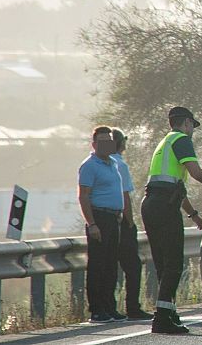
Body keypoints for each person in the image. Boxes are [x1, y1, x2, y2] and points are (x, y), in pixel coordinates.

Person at [142, 107, 202, 334]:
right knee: (174, 264)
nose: (192, 131)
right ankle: (162, 318)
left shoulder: (165, 143)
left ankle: (168, 313)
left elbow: (176, 189)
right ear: (187, 123)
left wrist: (194, 215)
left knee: (163, 265)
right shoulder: (181, 140)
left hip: (152, 204)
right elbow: (196, 173)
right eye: (192, 126)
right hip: (164, 207)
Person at [77, 125, 127, 323]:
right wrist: (92, 224)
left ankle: (109, 307)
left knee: (110, 265)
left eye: (109, 141)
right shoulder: (89, 166)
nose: (106, 145)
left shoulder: (113, 163)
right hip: (99, 218)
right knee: (98, 265)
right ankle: (97, 310)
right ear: (94, 144)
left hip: (113, 219)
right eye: (102, 141)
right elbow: (84, 196)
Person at [111, 128, 154, 321]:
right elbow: (125, 197)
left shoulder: (103, 163)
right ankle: (133, 307)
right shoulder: (120, 165)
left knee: (109, 266)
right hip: (122, 222)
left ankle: (108, 307)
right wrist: (130, 222)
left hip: (107, 221)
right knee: (133, 266)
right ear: (121, 143)